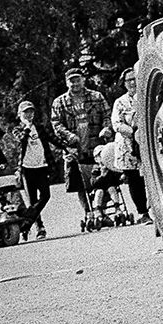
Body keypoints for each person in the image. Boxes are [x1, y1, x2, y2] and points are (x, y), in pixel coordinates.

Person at [51, 67, 113, 227]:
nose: (75, 83)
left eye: (77, 79)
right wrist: (68, 136)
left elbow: (107, 114)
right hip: (74, 149)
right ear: (67, 82)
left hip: (96, 145)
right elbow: (56, 123)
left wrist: (106, 128)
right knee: (80, 183)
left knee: (101, 179)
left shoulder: (96, 96)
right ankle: (88, 212)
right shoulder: (59, 102)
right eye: (72, 80)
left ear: (83, 80)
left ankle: (102, 211)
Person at [5, 100, 54, 240]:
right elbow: (22, 140)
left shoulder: (39, 127)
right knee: (32, 199)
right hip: (27, 169)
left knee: (45, 196)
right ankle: (40, 228)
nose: (29, 114)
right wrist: (27, 127)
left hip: (41, 166)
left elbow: (52, 139)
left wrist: (67, 147)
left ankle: (27, 221)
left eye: (31, 111)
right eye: (26, 112)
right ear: (19, 114)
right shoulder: (17, 129)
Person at [108, 68, 150, 222]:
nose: (132, 82)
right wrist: (133, 131)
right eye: (128, 80)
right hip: (128, 145)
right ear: (123, 83)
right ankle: (142, 212)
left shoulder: (146, 96)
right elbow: (116, 123)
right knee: (134, 180)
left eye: (135, 78)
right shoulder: (120, 102)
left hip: (147, 141)